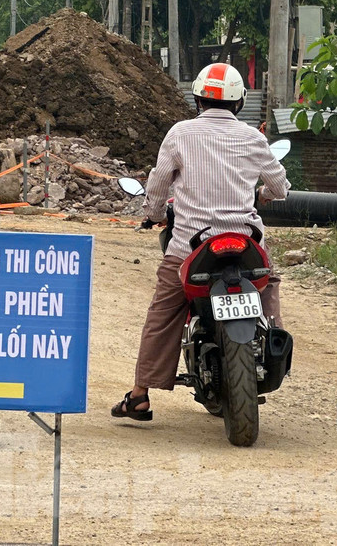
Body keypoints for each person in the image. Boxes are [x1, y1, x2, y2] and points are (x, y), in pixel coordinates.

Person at [111, 62, 288, 422]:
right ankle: (275, 343)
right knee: (268, 284)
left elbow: (159, 185)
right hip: (246, 242)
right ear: (239, 103)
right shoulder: (253, 137)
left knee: (163, 313)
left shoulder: (179, 134)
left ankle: (140, 394)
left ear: (198, 100)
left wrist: (154, 213)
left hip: (192, 248)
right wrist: (263, 195)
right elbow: (280, 186)